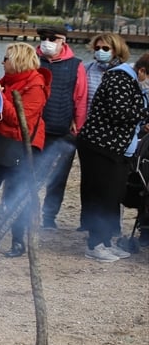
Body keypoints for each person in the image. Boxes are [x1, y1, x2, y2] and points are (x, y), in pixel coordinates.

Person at [0, 42, 50, 258]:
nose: (2, 62)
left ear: (17, 61)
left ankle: (18, 242)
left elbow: (20, 120)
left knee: (14, 197)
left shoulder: (36, 86)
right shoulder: (6, 81)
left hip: (21, 148)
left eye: (6, 58)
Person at [76, 49, 147, 262]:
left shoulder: (133, 83)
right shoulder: (119, 79)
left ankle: (106, 241)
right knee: (102, 196)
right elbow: (120, 113)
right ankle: (95, 244)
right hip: (100, 146)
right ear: (142, 71)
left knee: (113, 196)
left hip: (118, 148)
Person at [34, 24, 87, 230]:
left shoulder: (76, 65)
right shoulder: (33, 60)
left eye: (52, 38)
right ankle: (28, 213)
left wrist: (78, 127)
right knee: (32, 173)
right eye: (44, 37)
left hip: (64, 130)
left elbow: (80, 98)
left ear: (63, 41)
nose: (47, 42)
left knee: (58, 178)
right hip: (36, 129)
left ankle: (49, 216)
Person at [83, 33, 123, 112]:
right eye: (97, 48)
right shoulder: (86, 68)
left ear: (115, 50)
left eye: (105, 48)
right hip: (87, 120)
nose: (100, 51)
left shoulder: (124, 71)